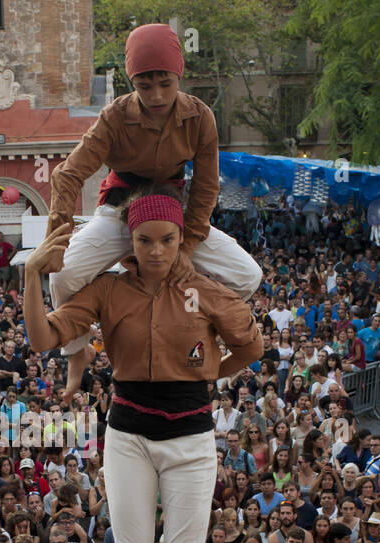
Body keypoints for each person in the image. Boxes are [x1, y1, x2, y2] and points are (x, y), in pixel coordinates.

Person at [25, 189, 262, 543]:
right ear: (128, 240)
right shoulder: (108, 290)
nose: (156, 251)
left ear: (182, 241)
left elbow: (252, 347)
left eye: (167, 240)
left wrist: (208, 375)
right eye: (144, 240)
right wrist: (33, 272)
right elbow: (41, 338)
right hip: (128, 437)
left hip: (190, 442)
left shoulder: (206, 291)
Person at [44, 22, 261, 398]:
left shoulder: (199, 117)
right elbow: (67, 175)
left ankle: (185, 318)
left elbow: (207, 187)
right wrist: (56, 240)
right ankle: (76, 351)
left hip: (171, 219)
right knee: (60, 276)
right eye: (144, 86)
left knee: (248, 276)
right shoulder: (113, 118)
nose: (156, 95)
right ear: (132, 84)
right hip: (119, 212)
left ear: (179, 76)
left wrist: (186, 251)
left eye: (165, 83)